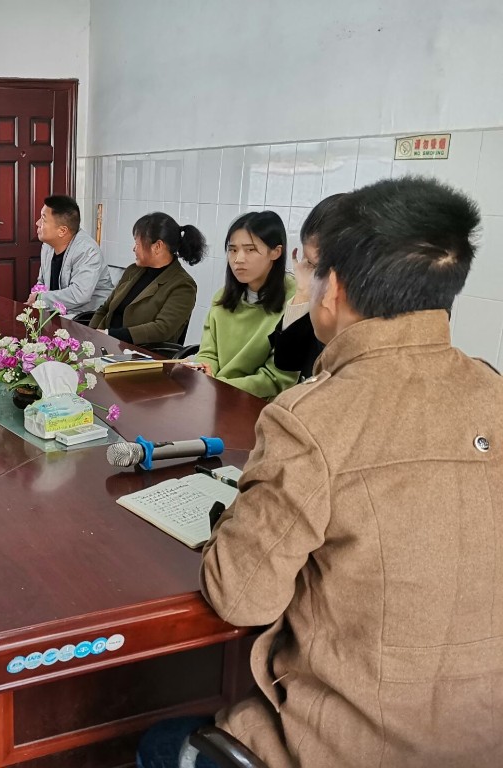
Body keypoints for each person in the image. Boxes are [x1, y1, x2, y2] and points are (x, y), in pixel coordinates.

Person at [138, 177, 503, 768]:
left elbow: (240, 596)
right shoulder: (493, 390)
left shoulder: (313, 418)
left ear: (331, 287)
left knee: (158, 743)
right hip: (484, 740)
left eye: (309, 268)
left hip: (350, 745)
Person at [192, 211, 298, 398]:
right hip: (217, 394)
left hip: (260, 404)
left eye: (250, 250)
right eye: (233, 250)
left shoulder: (295, 303)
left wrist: (218, 386)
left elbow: (276, 379)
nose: (238, 259)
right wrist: (204, 372)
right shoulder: (222, 297)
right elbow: (208, 353)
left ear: (275, 252)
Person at [89, 212, 202, 345]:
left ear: (157, 246)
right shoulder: (133, 271)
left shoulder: (183, 285)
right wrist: (89, 335)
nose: (134, 249)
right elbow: (105, 308)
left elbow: (162, 329)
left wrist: (110, 335)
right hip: (106, 344)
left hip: (141, 352)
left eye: (137, 243)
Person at [268, 194, 345, 381]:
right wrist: (303, 293)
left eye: (321, 268)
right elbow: (286, 361)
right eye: (310, 263)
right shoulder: (315, 295)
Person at [28, 195, 113, 315]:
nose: (37, 223)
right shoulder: (47, 246)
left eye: (43, 219)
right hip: (57, 312)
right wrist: (35, 300)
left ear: (62, 231)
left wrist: (40, 299)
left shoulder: (87, 250)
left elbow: (79, 295)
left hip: (88, 316)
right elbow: (41, 283)